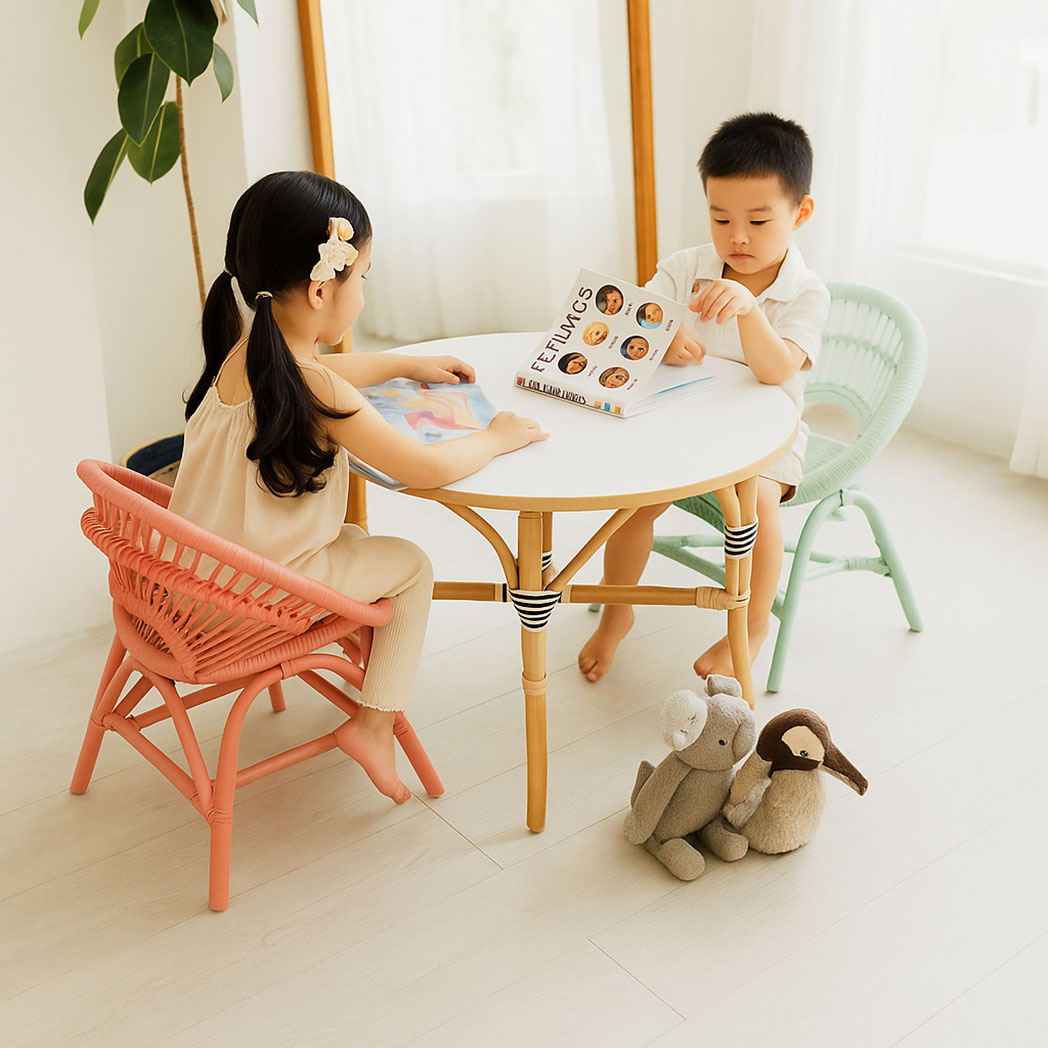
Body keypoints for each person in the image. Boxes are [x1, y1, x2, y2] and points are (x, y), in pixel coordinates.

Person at [170, 171, 547, 803]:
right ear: (322, 288)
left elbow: (315, 372)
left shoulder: (242, 354)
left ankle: (351, 663)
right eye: (362, 277)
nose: (364, 293)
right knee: (409, 566)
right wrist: (498, 436)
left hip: (187, 587)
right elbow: (421, 469)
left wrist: (402, 363)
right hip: (247, 611)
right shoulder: (316, 390)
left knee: (350, 537)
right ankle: (372, 726)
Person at [578, 112, 830, 684]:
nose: (737, 236)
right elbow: (639, 331)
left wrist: (745, 309)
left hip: (768, 434)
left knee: (760, 508)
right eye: (721, 218)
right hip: (685, 423)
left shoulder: (806, 292)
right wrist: (664, 342)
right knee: (632, 507)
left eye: (759, 220)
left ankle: (754, 623)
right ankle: (619, 610)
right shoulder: (685, 268)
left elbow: (777, 370)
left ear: (800, 213)